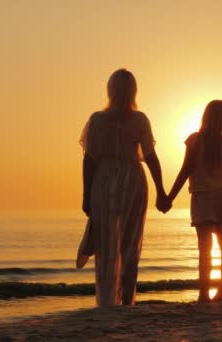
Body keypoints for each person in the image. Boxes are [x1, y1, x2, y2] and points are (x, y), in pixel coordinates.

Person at [80, 69, 170, 307]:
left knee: (106, 245)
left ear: (109, 90)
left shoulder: (97, 120)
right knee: (129, 243)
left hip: (103, 181)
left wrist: (86, 195)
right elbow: (151, 157)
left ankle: (107, 300)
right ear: (133, 91)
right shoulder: (138, 120)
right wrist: (162, 192)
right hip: (132, 180)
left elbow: (89, 160)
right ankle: (127, 299)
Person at [167, 99, 222, 303]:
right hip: (221, 196)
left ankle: (204, 294)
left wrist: (169, 198)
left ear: (205, 116)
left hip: (202, 198)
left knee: (204, 248)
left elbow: (185, 171)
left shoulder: (195, 140)